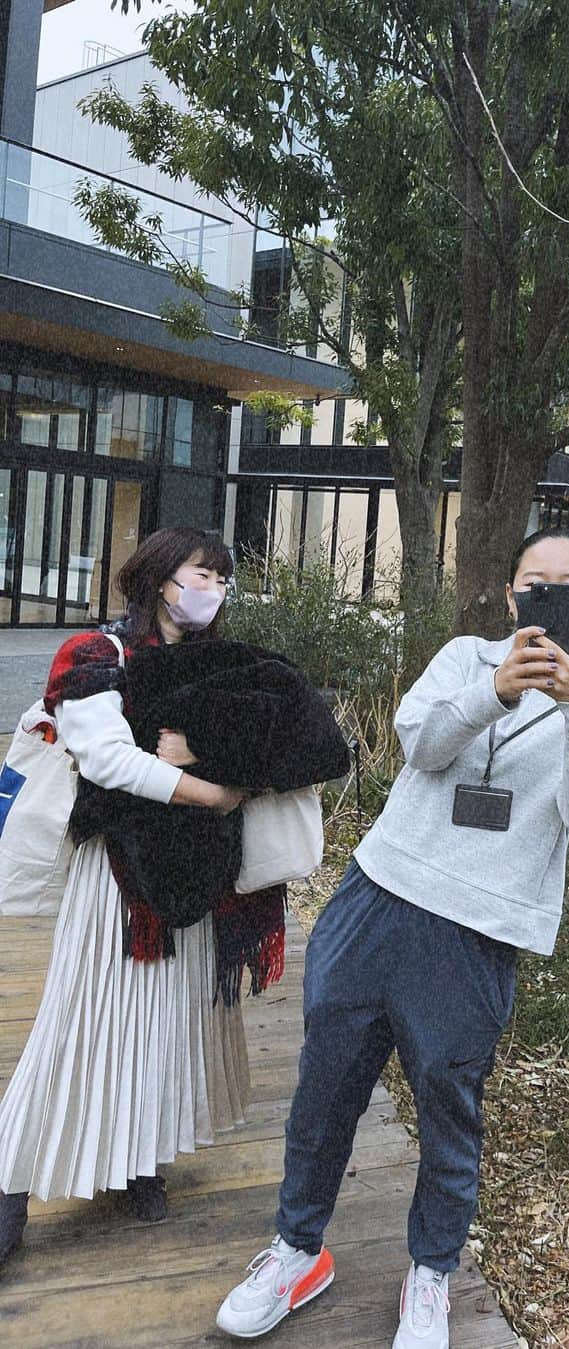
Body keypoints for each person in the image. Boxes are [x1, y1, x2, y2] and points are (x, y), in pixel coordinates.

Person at [216, 527, 569, 1348]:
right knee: (325, 1087)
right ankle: (297, 1248)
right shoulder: (464, 659)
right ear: (512, 593)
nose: (551, 595)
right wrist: (497, 692)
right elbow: (421, 743)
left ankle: (431, 1272)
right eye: (534, 581)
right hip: (378, 895)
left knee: (451, 1111)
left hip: (478, 932)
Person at [0, 526, 346, 1267]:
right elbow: (107, 758)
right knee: (81, 1026)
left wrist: (219, 774)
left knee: (165, 1027)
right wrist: (209, 790)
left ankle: (139, 1160)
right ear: (161, 578)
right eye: (202, 573)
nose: (213, 590)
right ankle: (9, 1183)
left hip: (196, 880)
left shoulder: (223, 663)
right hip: (120, 884)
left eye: (222, 579)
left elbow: (292, 748)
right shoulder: (97, 655)